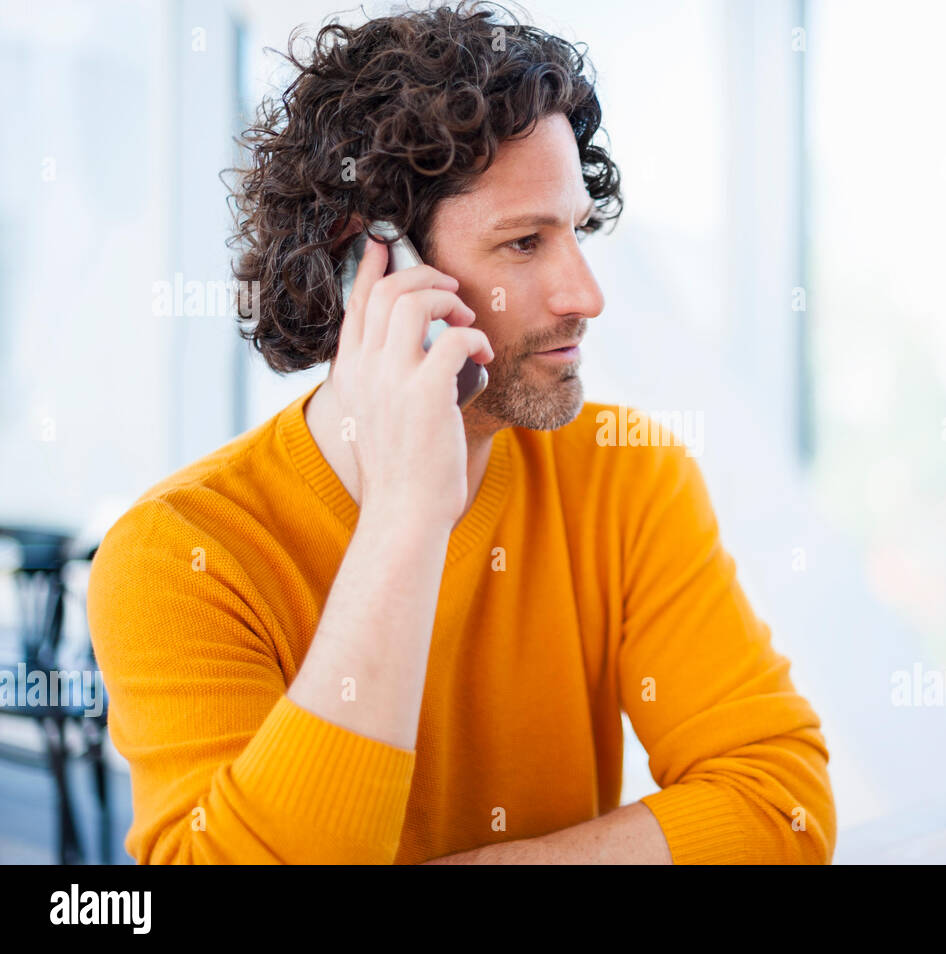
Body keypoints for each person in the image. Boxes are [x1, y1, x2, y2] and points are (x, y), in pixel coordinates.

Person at [87, 0, 834, 864]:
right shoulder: (176, 557)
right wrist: (406, 519)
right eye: (524, 244)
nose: (586, 295)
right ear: (370, 264)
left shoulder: (627, 476)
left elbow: (782, 805)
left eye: (575, 232)